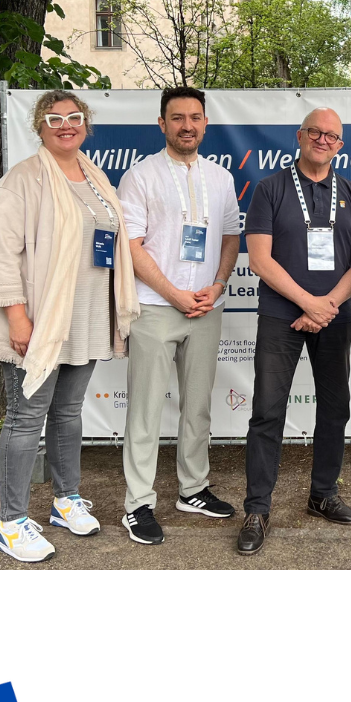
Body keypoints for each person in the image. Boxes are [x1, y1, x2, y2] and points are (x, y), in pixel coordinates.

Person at [0, 90, 139, 563]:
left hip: (86, 316)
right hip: (40, 320)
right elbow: (0, 255)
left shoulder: (94, 176)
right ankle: (11, 522)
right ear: (39, 126)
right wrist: (17, 316)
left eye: (73, 117)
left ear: (85, 124)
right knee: (26, 417)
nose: (65, 125)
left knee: (68, 413)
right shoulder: (20, 181)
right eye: (54, 118)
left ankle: (65, 501)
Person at [237, 107, 351, 555]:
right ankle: (257, 508)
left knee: (334, 409)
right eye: (315, 131)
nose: (322, 139)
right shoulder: (270, 189)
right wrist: (307, 302)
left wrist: (325, 305)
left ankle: (323, 495)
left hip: (333, 317)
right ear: (300, 136)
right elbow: (260, 260)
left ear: (340, 145)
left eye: (331, 135)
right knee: (267, 411)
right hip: (282, 316)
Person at [115, 86, 241, 545]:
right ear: (162, 124)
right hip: (154, 307)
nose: (187, 126)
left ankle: (193, 489)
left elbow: (231, 236)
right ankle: (138, 504)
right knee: (145, 409)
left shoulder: (221, 178)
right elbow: (131, 246)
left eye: (195, 117)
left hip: (207, 308)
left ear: (205, 123)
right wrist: (173, 294)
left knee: (198, 407)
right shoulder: (140, 176)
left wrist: (218, 285)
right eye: (177, 118)